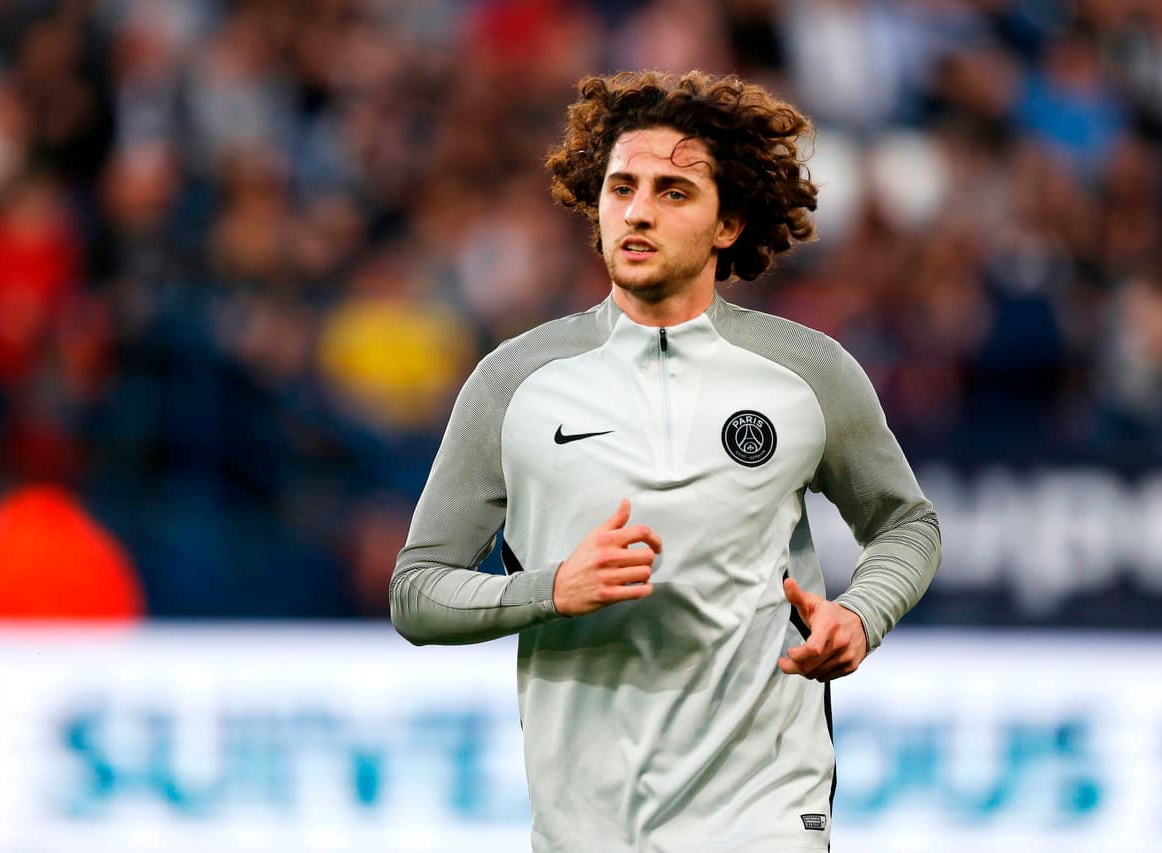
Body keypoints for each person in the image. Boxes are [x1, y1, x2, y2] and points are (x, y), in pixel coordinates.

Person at [390, 69, 941, 852]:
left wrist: (860, 613)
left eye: (673, 192)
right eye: (621, 188)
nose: (638, 210)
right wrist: (550, 589)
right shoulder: (514, 381)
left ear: (728, 223)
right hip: (588, 827)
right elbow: (417, 590)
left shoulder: (809, 371)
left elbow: (907, 524)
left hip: (766, 811)